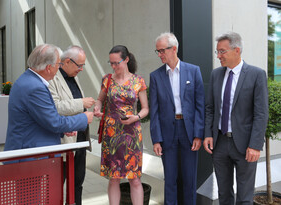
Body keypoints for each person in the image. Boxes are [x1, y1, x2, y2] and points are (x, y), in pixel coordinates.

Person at [203, 32, 268, 204]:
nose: (218, 56)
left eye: (222, 51)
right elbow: (209, 108)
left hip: (245, 145)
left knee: (245, 197)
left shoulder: (256, 74)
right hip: (220, 143)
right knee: (223, 194)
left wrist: (255, 145)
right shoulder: (216, 74)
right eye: (217, 52)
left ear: (237, 50)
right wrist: (208, 134)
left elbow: (261, 113)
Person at [4, 44, 94, 162]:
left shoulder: (29, 80)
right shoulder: (35, 87)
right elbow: (54, 122)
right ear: (48, 68)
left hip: (30, 151)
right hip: (32, 156)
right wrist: (83, 118)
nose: (59, 68)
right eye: (58, 64)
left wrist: (63, 130)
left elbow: (41, 118)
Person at [149, 32, 205, 205]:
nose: (159, 55)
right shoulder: (155, 76)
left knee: (190, 179)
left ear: (174, 49)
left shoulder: (193, 71)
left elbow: (200, 105)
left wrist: (198, 134)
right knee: (170, 180)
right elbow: (154, 112)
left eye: (162, 51)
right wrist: (156, 139)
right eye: (157, 51)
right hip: (167, 133)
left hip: (189, 132)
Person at [93, 45, 149, 205]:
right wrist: (97, 107)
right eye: (111, 63)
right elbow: (100, 100)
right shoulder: (107, 79)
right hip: (111, 134)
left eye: (116, 63)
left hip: (132, 134)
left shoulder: (138, 81)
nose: (113, 66)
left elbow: (145, 109)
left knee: (135, 180)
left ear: (126, 60)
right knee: (114, 178)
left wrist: (136, 117)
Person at [48, 45, 95, 205]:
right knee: (57, 184)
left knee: (78, 182)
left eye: (83, 65)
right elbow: (55, 107)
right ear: (67, 61)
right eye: (79, 65)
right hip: (64, 142)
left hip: (80, 139)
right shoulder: (53, 78)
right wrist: (81, 102)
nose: (81, 69)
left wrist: (88, 111)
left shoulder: (73, 75)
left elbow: (74, 104)